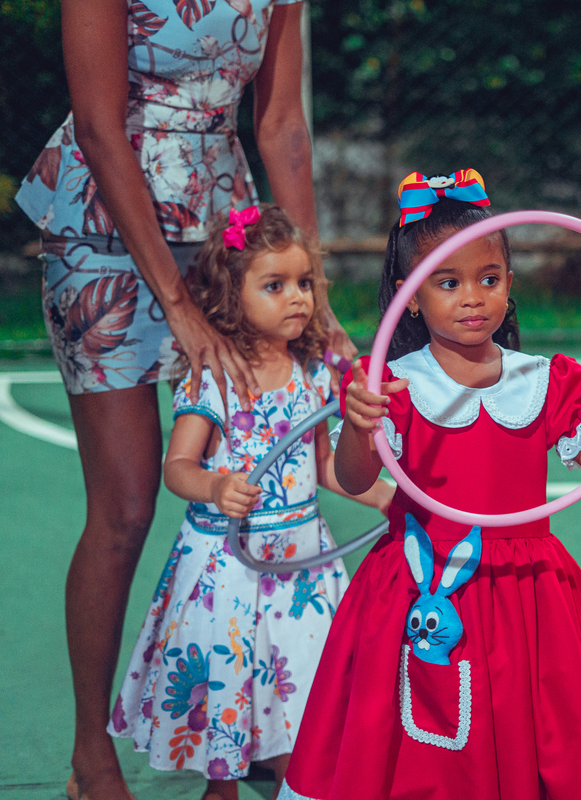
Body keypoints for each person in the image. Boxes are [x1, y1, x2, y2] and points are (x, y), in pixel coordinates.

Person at [13, 2, 355, 798]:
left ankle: (239, 747)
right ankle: (90, 754)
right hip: (102, 233)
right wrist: (177, 306)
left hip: (224, 240)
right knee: (129, 506)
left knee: (258, 484)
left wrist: (315, 292)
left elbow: (280, 123)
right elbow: (98, 125)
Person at [274, 170, 581, 800]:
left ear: (509, 286)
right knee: (415, 740)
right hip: (422, 584)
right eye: (448, 282)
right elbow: (356, 476)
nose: (472, 297)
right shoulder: (395, 384)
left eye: (488, 279)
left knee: (532, 725)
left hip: (528, 592)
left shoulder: (541, 380)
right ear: (411, 297)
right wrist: (360, 423)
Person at [107, 206, 392, 800]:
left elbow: (323, 471)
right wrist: (215, 486)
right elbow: (178, 468)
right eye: (275, 285)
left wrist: (391, 501)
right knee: (230, 688)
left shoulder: (315, 375)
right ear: (232, 297)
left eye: (305, 283)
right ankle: (226, 785)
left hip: (302, 567)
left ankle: (296, 778)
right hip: (228, 569)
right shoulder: (214, 377)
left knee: (303, 692)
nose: (298, 298)